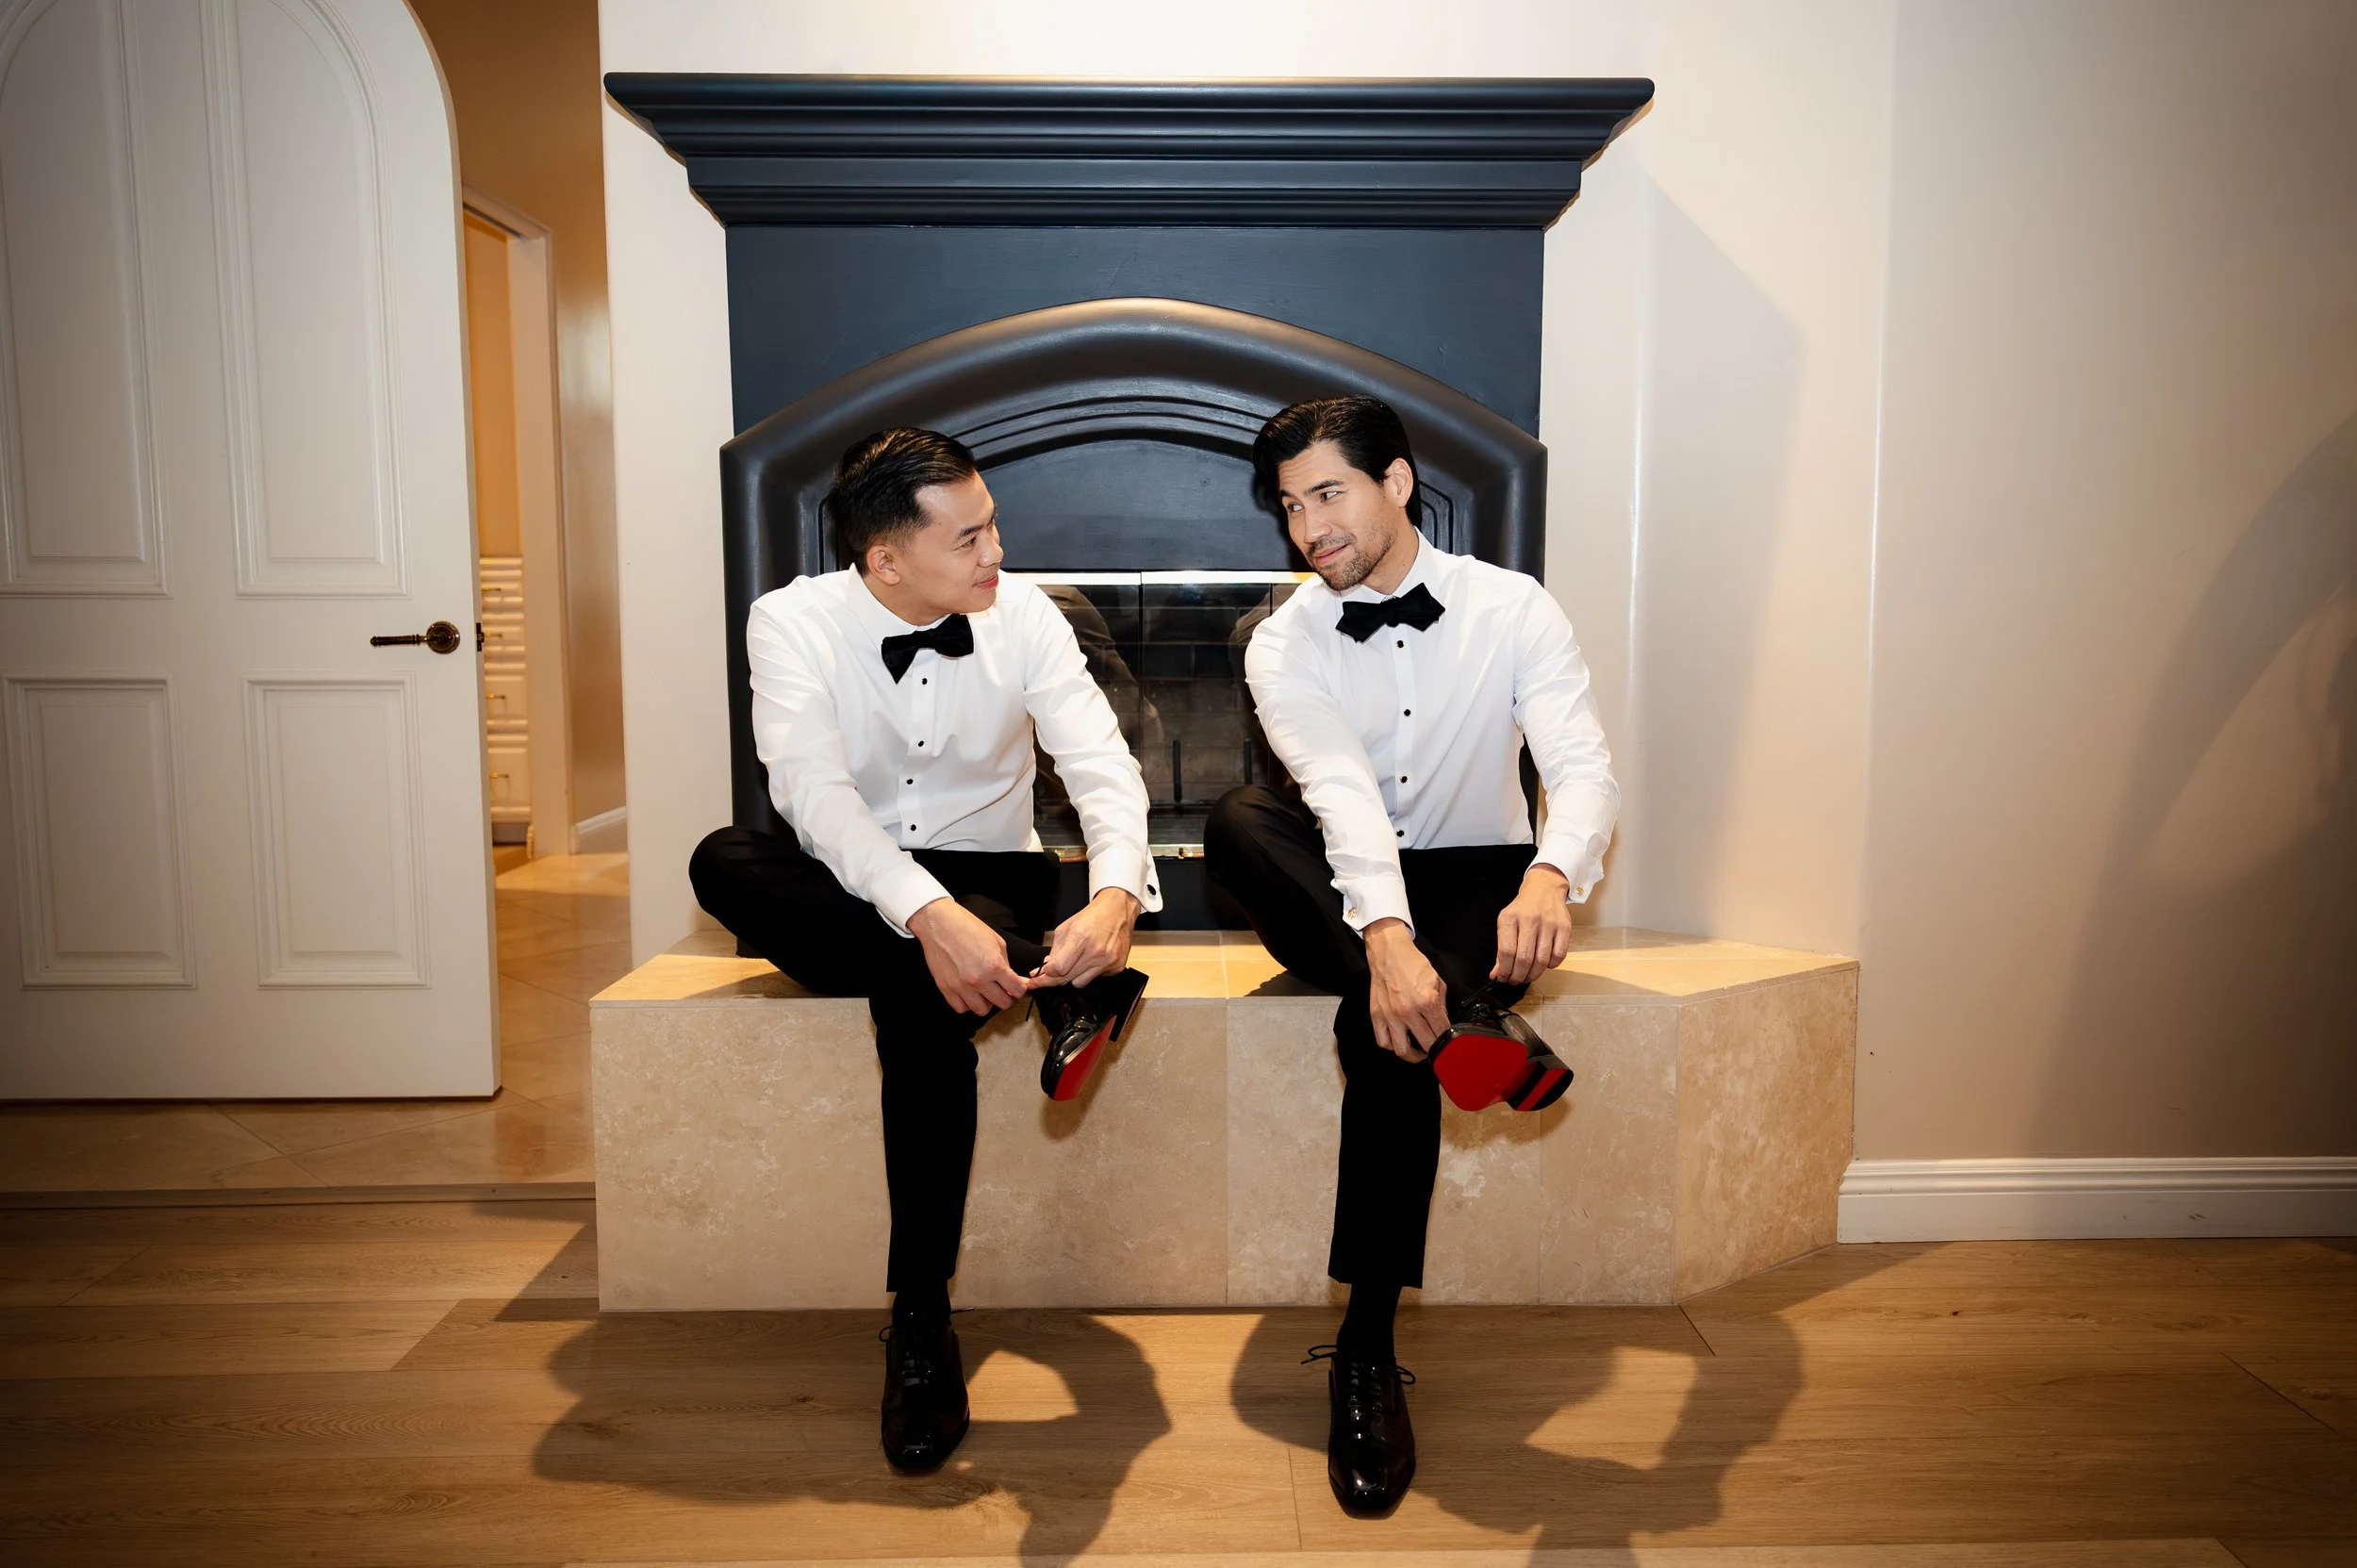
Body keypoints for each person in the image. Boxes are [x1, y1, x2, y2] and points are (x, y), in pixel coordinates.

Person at [688, 428, 1159, 1474]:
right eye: (970, 538)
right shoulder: (792, 622)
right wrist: (922, 911)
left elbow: (1100, 762)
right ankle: (1058, 989)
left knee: (918, 999)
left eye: (992, 526)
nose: (998, 552)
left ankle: (920, 1317)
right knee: (725, 860)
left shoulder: (1025, 614)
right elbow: (811, 796)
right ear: (886, 559)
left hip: (992, 874)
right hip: (852, 873)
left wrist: (1117, 889)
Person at [1205, 396, 1620, 1517]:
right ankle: (1468, 1018)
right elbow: (1338, 793)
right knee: (1242, 821)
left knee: (1382, 1035)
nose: (1309, 529)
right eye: (1290, 507)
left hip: (1479, 880)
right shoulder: (1285, 639)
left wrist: (1552, 873)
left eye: (1327, 494)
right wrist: (1384, 938)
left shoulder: (1512, 606)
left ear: (1396, 481)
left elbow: (1580, 766)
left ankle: (1366, 1348)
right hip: (1337, 886)